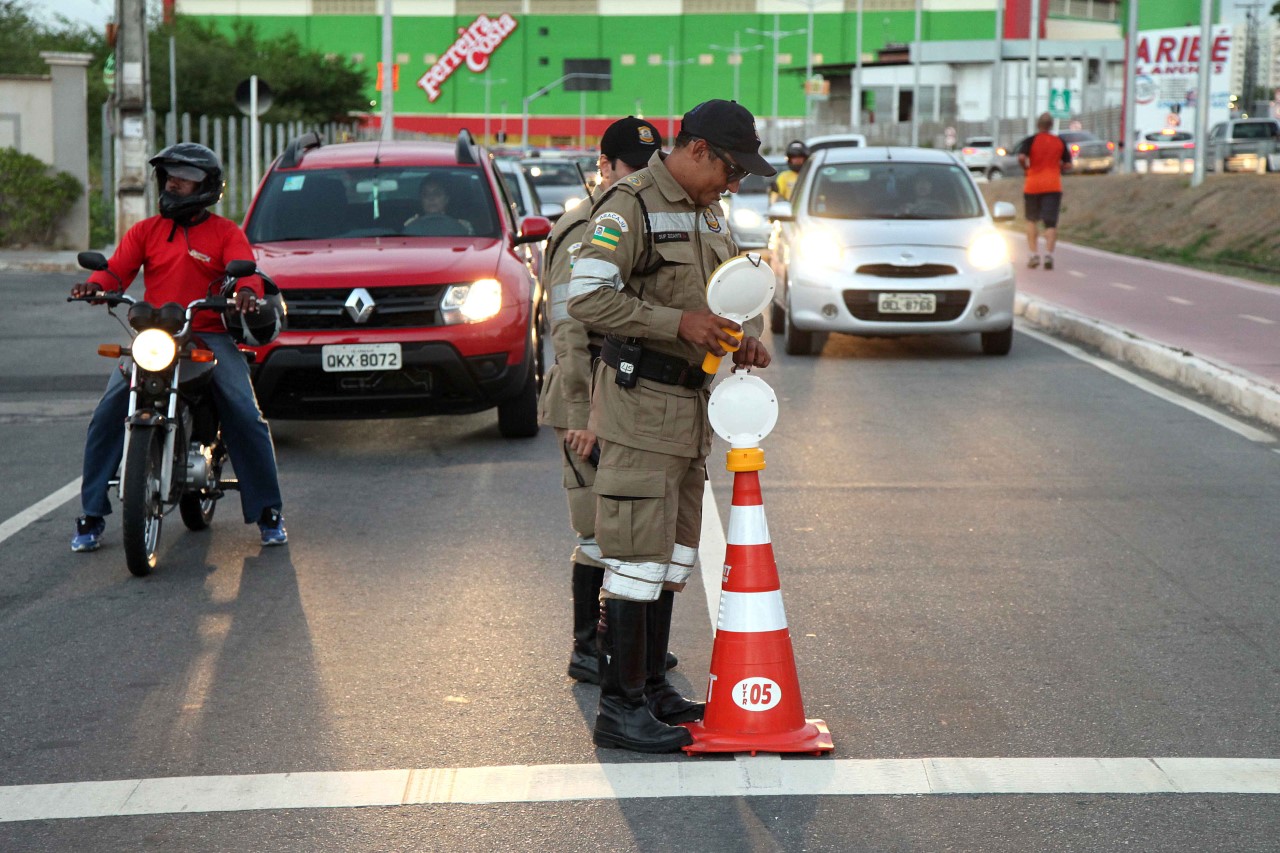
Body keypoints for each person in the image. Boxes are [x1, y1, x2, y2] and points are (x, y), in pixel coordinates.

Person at [567, 99, 775, 753]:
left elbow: (722, 291)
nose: (734, 185)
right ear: (699, 150)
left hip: (688, 408)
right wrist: (677, 324)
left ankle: (652, 688)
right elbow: (586, 295)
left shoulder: (707, 209)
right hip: (640, 405)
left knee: (670, 557)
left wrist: (741, 334)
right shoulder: (629, 204)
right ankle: (620, 708)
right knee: (634, 559)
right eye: (732, 170)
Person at [70, 143, 287, 552]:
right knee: (107, 414)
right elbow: (116, 271)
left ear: (206, 187)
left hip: (208, 334)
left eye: (184, 178)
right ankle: (92, 514)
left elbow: (247, 271)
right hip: (156, 336)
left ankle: (268, 512)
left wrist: (245, 292)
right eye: (170, 176)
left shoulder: (225, 232)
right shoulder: (146, 231)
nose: (173, 183)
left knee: (244, 412)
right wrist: (95, 286)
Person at [537, 116, 675, 685]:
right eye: (629, 168)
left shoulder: (641, 216)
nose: (639, 177)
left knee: (628, 528)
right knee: (597, 530)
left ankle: (623, 643)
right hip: (586, 394)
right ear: (604, 166)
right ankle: (588, 649)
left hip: (624, 394)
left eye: (648, 168)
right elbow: (568, 326)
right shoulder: (584, 227)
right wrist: (579, 413)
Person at [1015, 112, 1072, 270]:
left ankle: (1033, 254)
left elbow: (1021, 157)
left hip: (1032, 185)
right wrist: (1058, 168)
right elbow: (1068, 164)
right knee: (1051, 222)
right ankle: (1048, 255)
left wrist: (1026, 168)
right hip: (1053, 185)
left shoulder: (1030, 140)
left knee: (1031, 220)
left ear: (1037, 125)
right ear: (1051, 125)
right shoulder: (1059, 142)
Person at [404, 176, 473, 235]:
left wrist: (470, 233)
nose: (431, 197)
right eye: (426, 194)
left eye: (437, 193)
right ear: (421, 199)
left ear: (446, 199)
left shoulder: (461, 226)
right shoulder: (411, 226)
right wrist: (406, 229)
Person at [770, 139, 809, 203]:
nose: (797, 160)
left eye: (800, 157)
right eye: (794, 157)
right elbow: (775, 198)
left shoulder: (812, 174)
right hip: (790, 208)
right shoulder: (784, 177)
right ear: (789, 159)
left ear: (805, 158)